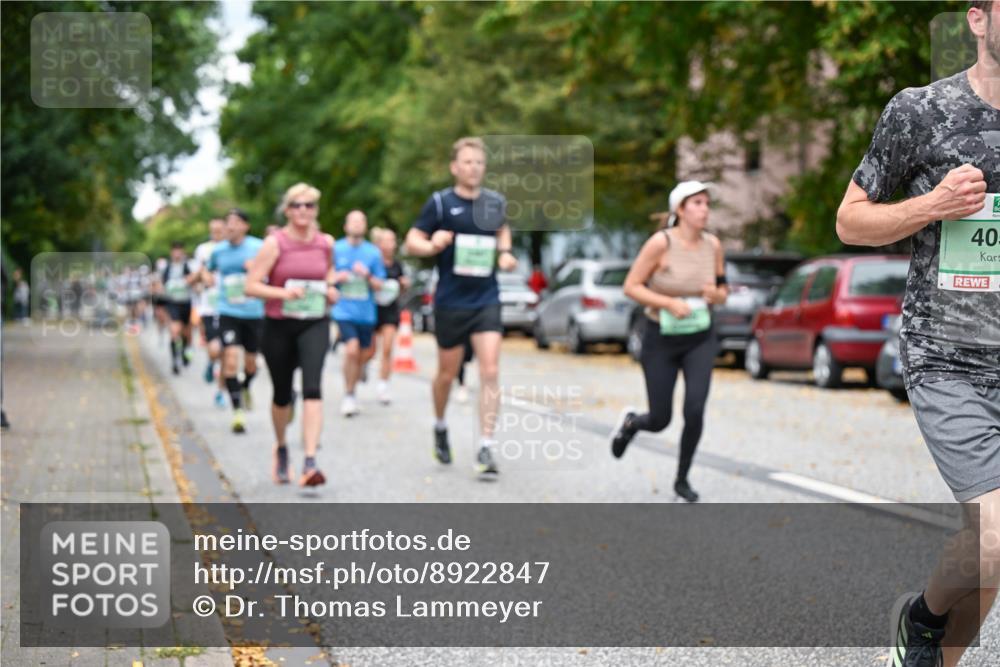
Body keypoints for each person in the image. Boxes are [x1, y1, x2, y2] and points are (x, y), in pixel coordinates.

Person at [836, 3, 999, 665]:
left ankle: (928, 654)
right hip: (949, 357)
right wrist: (933, 204)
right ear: (979, 20)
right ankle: (922, 615)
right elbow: (850, 221)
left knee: (988, 552)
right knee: (996, 537)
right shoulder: (922, 111)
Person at [405, 136, 517, 478]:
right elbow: (412, 240)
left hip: (486, 298)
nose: (474, 168)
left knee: (490, 371)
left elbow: (503, 230)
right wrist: (431, 244)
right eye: (468, 162)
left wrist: (505, 253)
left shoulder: (494, 203)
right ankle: (440, 425)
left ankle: (486, 445)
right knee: (447, 375)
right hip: (451, 301)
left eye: (479, 162)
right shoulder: (440, 203)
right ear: (455, 167)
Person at [609, 181, 728, 503]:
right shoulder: (660, 243)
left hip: (700, 338)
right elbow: (631, 286)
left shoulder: (713, 245)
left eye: (707, 203)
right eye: (697, 203)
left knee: (695, 409)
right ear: (680, 209)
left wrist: (716, 295)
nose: (705, 209)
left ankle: (682, 480)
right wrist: (667, 303)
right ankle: (632, 423)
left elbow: (723, 290)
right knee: (660, 419)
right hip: (660, 338)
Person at [245, 183, 338, 487]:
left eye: (309, 205)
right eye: (297, 205)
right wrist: (282, 294)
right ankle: (282, 446)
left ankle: (310, 462)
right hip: (279, 324)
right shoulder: (275, 243)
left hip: (314, 321)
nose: (303, 210)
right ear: (287, 210)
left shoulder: (325, 243)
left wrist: (331, 289)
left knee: (313, 388)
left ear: (316, 210)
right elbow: (251, 286)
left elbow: (328, 274)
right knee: (282, 394)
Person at [205, 209, 265, 435]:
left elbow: (272, 273)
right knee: (230, 360)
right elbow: (206, 270)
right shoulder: (218, 250)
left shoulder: (258, 247)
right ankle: (237, 410)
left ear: (245, 226)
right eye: (228, 222)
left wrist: (256, 270)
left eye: (235, 222)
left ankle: (246, 385)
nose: (230, 226)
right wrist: (207, 278)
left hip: (253, 313)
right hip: (228, 311)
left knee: (251, 364)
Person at [331, 210, 385, 417]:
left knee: (364, 354)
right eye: (353, 221)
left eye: (361, 221)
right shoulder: (336, 249)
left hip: (366, 312)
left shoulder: (373, 253)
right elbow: (326, 276)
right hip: (343, 310)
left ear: (365, 226)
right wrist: (338, 277)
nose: (356, 225)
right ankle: (349, 394)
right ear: (346, 226)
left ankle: (360, 370)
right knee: (351, 350)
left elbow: (380, 284)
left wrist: (367, 275)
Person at [365, 227, 411, 405]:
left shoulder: (397, 265)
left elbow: (401, 289)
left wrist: (404, 284)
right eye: (387, 240)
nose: (391, 244)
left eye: (393, 241)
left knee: (387, 349)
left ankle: (383, 386)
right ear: (379, 243)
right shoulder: (373, 263)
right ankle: (363, 364)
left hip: (390, 311)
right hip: (372, 310)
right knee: (370, 351)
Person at [193, 218, 228, 407]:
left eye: (220, 229)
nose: (216, 233)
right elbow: (197, 273)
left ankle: (220, 391)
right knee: (215, 349)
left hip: (229, 307)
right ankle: (210, 362)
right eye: (213, 230)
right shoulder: (203, 249)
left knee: (226, 354)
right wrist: (204, 275)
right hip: (209, 306)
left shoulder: (231, 248)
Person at [158, 243, 198, 375]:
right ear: (171, 253)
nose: (177, 254)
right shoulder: (166, 268)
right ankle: (175, 360)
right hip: (172, 303)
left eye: (179, 251)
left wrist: (189, 282)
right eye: (175, 251)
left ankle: (185, 351)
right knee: (175, 331)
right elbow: (161, 285)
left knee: (186, 333)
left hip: (186, 303)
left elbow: (195, 281)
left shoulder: (188, 266)